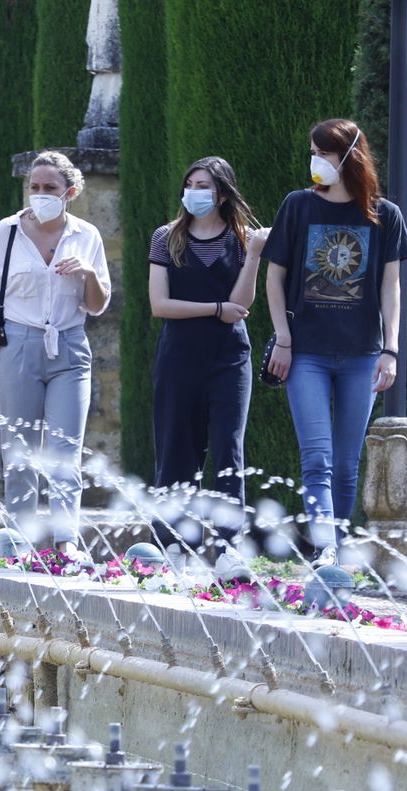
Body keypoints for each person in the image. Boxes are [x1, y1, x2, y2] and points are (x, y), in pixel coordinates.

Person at [261, 119, 407, 567]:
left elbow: (391, 288)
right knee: (317, 456)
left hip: (363, 355)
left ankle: (337, 548)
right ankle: (326, 546)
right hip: (304, 352)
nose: (315, 162)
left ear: (349, 156)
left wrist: (391, 349)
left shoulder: (385, 215)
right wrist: (284, 339)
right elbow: (275, 278)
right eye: (313, 152)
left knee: (347, 463)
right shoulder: (297, 206)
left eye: (323, 153)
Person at [0, 150, 110, 558]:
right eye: (34, 187)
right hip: (18, 347)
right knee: (20, 449)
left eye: (50, 188)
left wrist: (89, 273)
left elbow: (97, 305)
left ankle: (67, 544)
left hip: (70, 346)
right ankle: (18, 541)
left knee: (65, 450)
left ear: (70, 192)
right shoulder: (8, 231)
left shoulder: (87, 236)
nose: (40, 195)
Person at [148, 156, 268, 554]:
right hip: (179, 357)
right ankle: (172, 545)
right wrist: (214, 309)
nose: (195, 193)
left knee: (228, 450)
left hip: (229, 358)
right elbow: (159, 304)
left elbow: (242, 304)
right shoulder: (166, 237)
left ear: (222, 193)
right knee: (176, 449)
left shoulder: (241, 239)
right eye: (191, 184)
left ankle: (230, 549)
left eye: (204, 186)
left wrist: (253, 255)